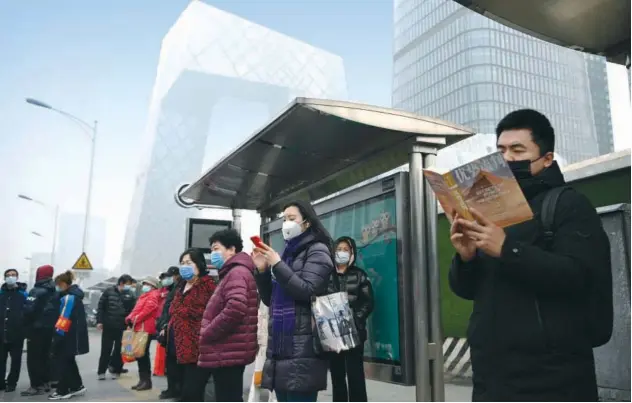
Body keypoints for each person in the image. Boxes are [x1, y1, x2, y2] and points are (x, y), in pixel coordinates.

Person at [448, 109, 612, 401]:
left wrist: (507, 250)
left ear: (546, 159)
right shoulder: (488, 211)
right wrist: (466, 259)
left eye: (518, 149)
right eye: (501, 150)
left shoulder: (568, 205)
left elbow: (579, 276)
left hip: (552, 381)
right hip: (491, 378)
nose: (507, 158)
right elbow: (467, 290)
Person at [253, 200, 335, 402]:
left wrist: (277, 264)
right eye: (284, 219)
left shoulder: (318, 250)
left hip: (303, 347)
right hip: (282, 348)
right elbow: (270, 299)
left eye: (292, 219)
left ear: (306, 222)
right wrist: (263, 271)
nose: (286, 224)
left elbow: (308, 291)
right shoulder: (289, 254)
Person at [195, 229, 259, 402]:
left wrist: (208, 331)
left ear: (232, 249)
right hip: (230, 349)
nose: (212, 254)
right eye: (211, 250)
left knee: (228, 396)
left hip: (228, 349)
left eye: (216, 249)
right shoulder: (233, 272)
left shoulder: (236, 273)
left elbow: (236, 308)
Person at [328, 236, 374, 402]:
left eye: (346, 250)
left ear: (352, 253)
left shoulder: (360, 275)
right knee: (337, 377)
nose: (342, 253)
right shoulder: (328, 276)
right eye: (339, 249)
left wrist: (356, 319)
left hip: (355, 334)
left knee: (356, 377)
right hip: (334, 336)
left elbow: (368, 303)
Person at [170, 248, 216, 402]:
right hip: (181, 348)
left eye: (189, 263)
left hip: (199, 348)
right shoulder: (181, 286)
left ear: (199, 264)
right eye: (182, 263)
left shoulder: (208, 285)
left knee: (192, 393)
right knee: (184, 391)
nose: (184, 266)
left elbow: (210, 312)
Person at [48, 270, 89, 400]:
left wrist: (57, 337)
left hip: (67, 335)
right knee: (69, 361)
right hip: (73, 335)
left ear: (64, 284)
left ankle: (63, 390)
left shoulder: (68, 298)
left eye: (58, 285)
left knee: (62, 362)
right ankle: (77, 386)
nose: (57, 287)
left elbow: (64, 319)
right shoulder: (74, 296)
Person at [22, 265, 59, 396]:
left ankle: (36, 386)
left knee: (33, 358)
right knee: (45, 356)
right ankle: (45, 383)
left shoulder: (36, 291)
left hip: (35, 329)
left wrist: (25, 325)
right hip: (49, 329)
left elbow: (28, 310)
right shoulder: (55, 291)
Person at [96, 274, 136, 380]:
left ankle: (116, 370)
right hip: (108, 326)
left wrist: (130, 325)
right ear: (121, 283)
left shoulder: (130, 295)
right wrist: (99, 321)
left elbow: (133, 311)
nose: (129, 286)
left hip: (122, 327)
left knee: (119, 350)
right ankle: (101, 372)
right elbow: (101, 307)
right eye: (128, 284)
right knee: (106, 350)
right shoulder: (108, 292)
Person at [125, 276, 162, 391]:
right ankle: (143, 380)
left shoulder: (153, 296)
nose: (144, 286)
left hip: (145, 328)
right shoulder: (144, 296)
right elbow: (136, 309)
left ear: (153, 286)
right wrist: (130, 318)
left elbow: (147, 310)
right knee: (140, 355)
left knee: (143, 355)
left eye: (147, 284)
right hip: (139, 327)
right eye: (144, 284)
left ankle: (146, 381)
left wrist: (135, 318)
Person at [156, 266, 182, 400]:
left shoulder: (180, 288)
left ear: (177, 275)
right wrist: (162, 325)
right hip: (167, 328)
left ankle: (177, 390)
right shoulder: (171, 289)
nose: (167, 279)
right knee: (170, 362)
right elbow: (165, 310)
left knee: (176, 363)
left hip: (175, 329)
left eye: (170, 276)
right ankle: (171, 389)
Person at [0, 269, 28, 393]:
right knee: (1, 360)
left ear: (17, 277)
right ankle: (1, 383)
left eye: (13, 275)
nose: (10, 277)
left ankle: (12, 383)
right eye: (8, 275)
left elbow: (28, 313)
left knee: (15, 360)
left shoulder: (23, 294)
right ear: (4, 277)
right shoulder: (1, 293)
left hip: (17, 334)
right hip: (1, 333)